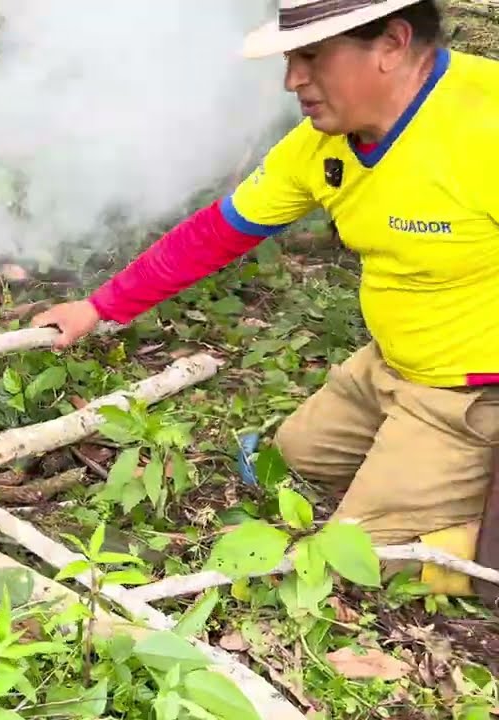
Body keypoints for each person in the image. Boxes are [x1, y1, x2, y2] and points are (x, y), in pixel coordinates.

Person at [33, 0, 499, 598]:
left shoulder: (483, 127)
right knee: (285, 463)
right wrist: (100, 306)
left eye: (311, 57)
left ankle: (474, 548)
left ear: (391, 44)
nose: (292, 81)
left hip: (467, 392)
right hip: (386, 364)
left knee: (348, 560)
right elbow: (218, 232)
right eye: (289, 59)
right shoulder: (319, 146)